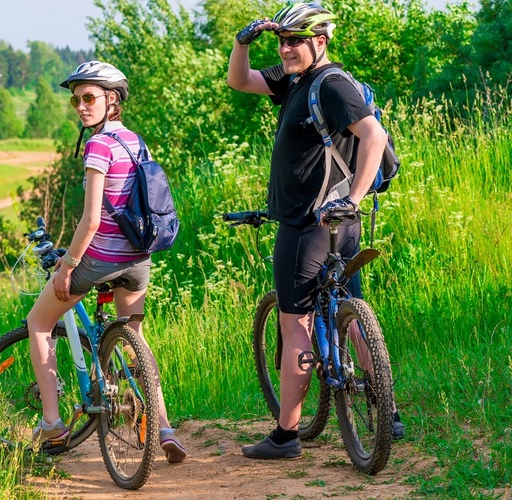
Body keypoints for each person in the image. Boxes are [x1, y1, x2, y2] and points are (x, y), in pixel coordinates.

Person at [226, 3, 404, 460]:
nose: (285, 49)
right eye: (281, 41)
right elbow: (240, 81)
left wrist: (355, 198)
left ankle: (286, 435)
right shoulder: (295, 80)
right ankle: (386, 407)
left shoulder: (331, 84)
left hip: (310, 224)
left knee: (295, 323)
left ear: (320, 42)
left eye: (295, 41)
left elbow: (374, 136)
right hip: (334, 222)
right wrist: (242, 42)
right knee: (350, 306)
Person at [25, 61, 187, 464]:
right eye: (76, 99)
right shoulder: (135, 141)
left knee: (39, 323)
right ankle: (164, 427)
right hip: (139, 259)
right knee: (137, 340)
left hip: (101, 259)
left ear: (111, 99)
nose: (80, 106)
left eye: (89, 97)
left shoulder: (98, 147)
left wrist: (67, 265)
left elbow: (92, 219)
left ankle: (52, 424)